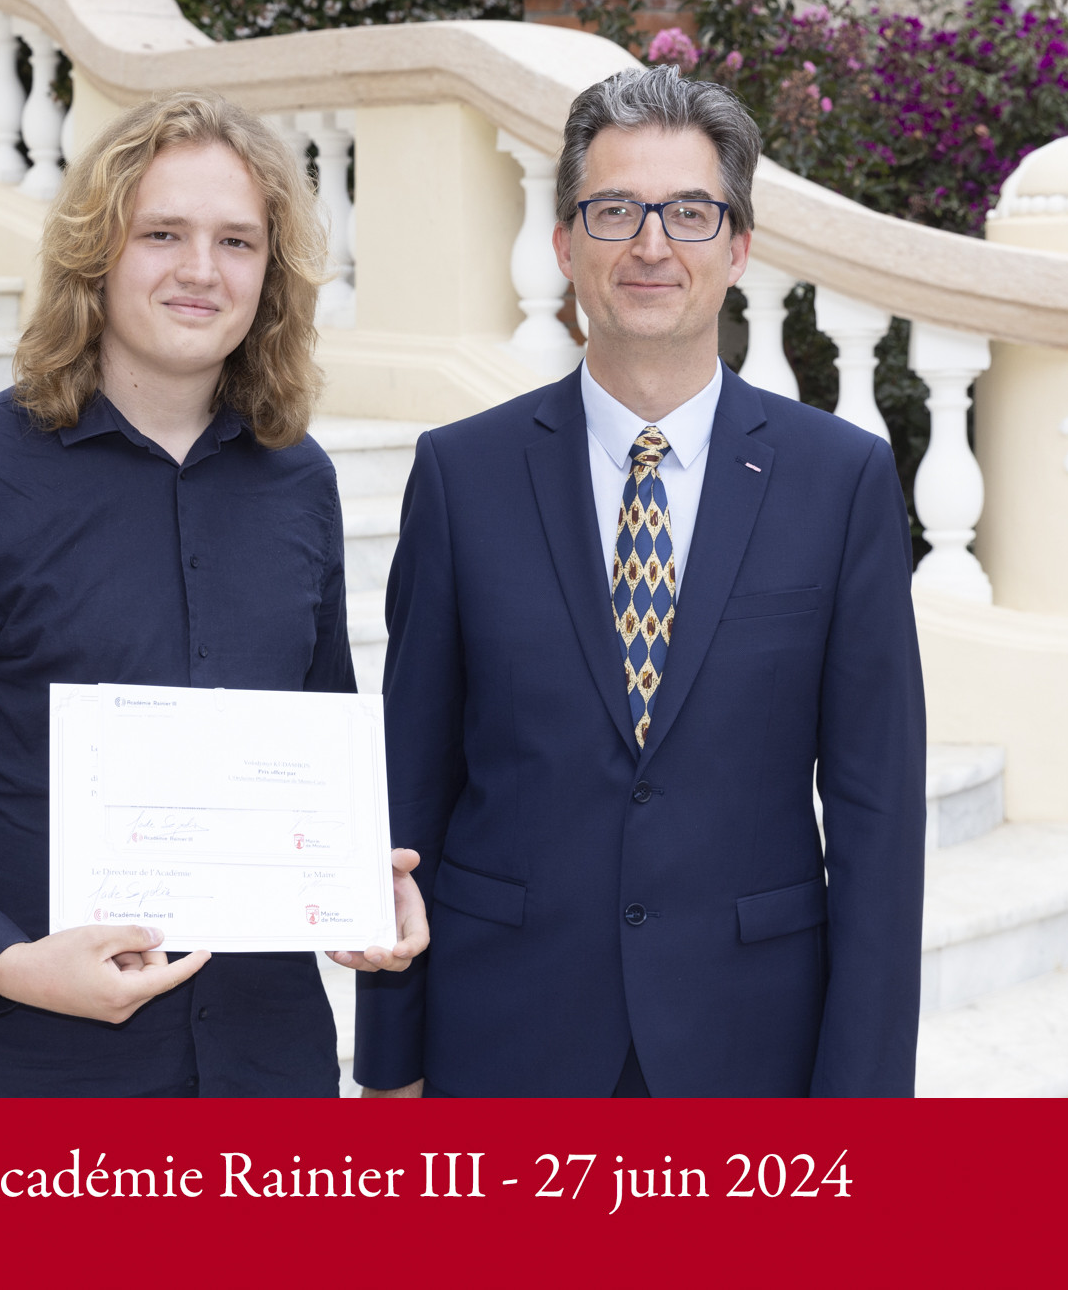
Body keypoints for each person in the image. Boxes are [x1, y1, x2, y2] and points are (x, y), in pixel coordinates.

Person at [0, 91, 428, 1098]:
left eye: (236, 241)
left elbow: (313, 742)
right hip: (34, 1078)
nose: (201, 269)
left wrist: (358, 882)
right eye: (162, 233)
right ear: (97, 252)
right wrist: (3, 958)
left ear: (270, 274)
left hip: (268, 1071)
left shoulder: (297, 482)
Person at [353, 64, 924, 1099]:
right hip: (505, 1041)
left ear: (738, 248)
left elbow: (877, 817)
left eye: (690, 212)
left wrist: (866, 1102)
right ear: (564, 244)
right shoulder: (460, 474)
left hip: (749, 1047)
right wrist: (390, 1066)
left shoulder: (840, 481)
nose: (651, 245)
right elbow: (409, 791)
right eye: (615, 210)